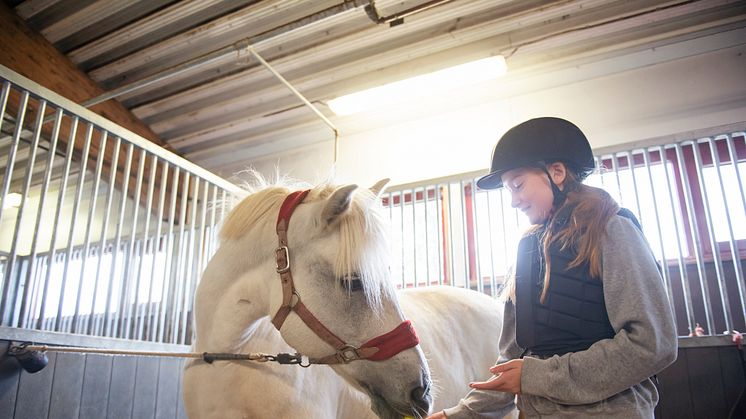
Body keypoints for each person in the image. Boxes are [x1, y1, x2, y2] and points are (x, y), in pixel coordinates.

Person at [428, 117, 678, 418]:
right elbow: (512, 362)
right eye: (509, 191)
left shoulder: (612, 229)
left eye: (518, 185)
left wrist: (535, 376)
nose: (513, 201)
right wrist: (455, 416)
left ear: (557, 172)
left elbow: (652, 344)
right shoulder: (526, 250)